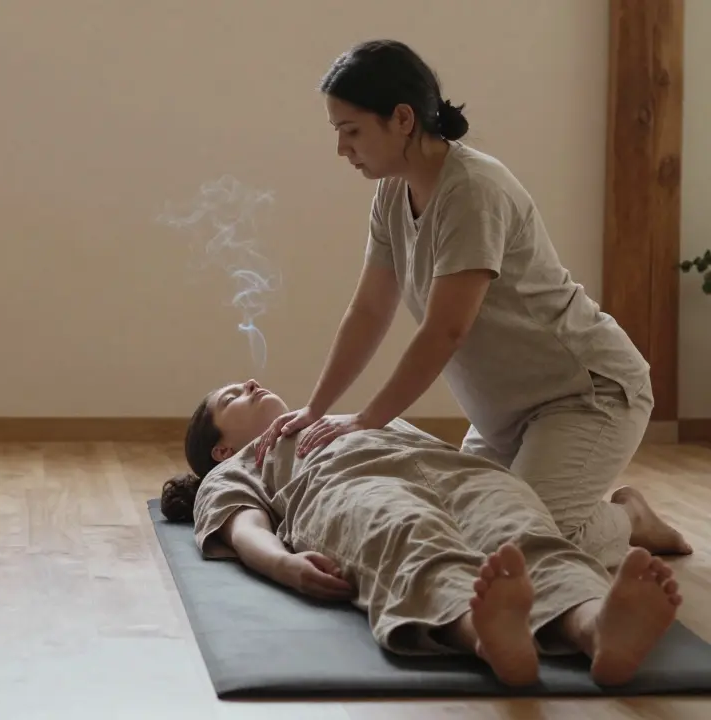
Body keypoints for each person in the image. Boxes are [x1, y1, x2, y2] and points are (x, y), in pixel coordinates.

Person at [254, 38, 690, 570]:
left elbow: (445, 331)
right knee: (456, 532)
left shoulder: (474, 190)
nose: (342, 149)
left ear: (402, 119)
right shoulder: (392, 193)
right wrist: (316, 409)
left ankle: (629, 520)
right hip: (501, 413)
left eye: (351, 132)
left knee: (518, 550)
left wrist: (368, 420)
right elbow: (368, 311)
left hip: (585, 394)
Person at [161, 378, 684, 687]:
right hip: (347, 489)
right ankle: (484, 632)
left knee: (520, 527)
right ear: (220, 450)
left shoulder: (331, 416)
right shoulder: (237, 468)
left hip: (450, 469)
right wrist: (282, 564)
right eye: (230, 396)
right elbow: (244, 524)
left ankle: (594, 626)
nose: (251, 384)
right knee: (409, 539)